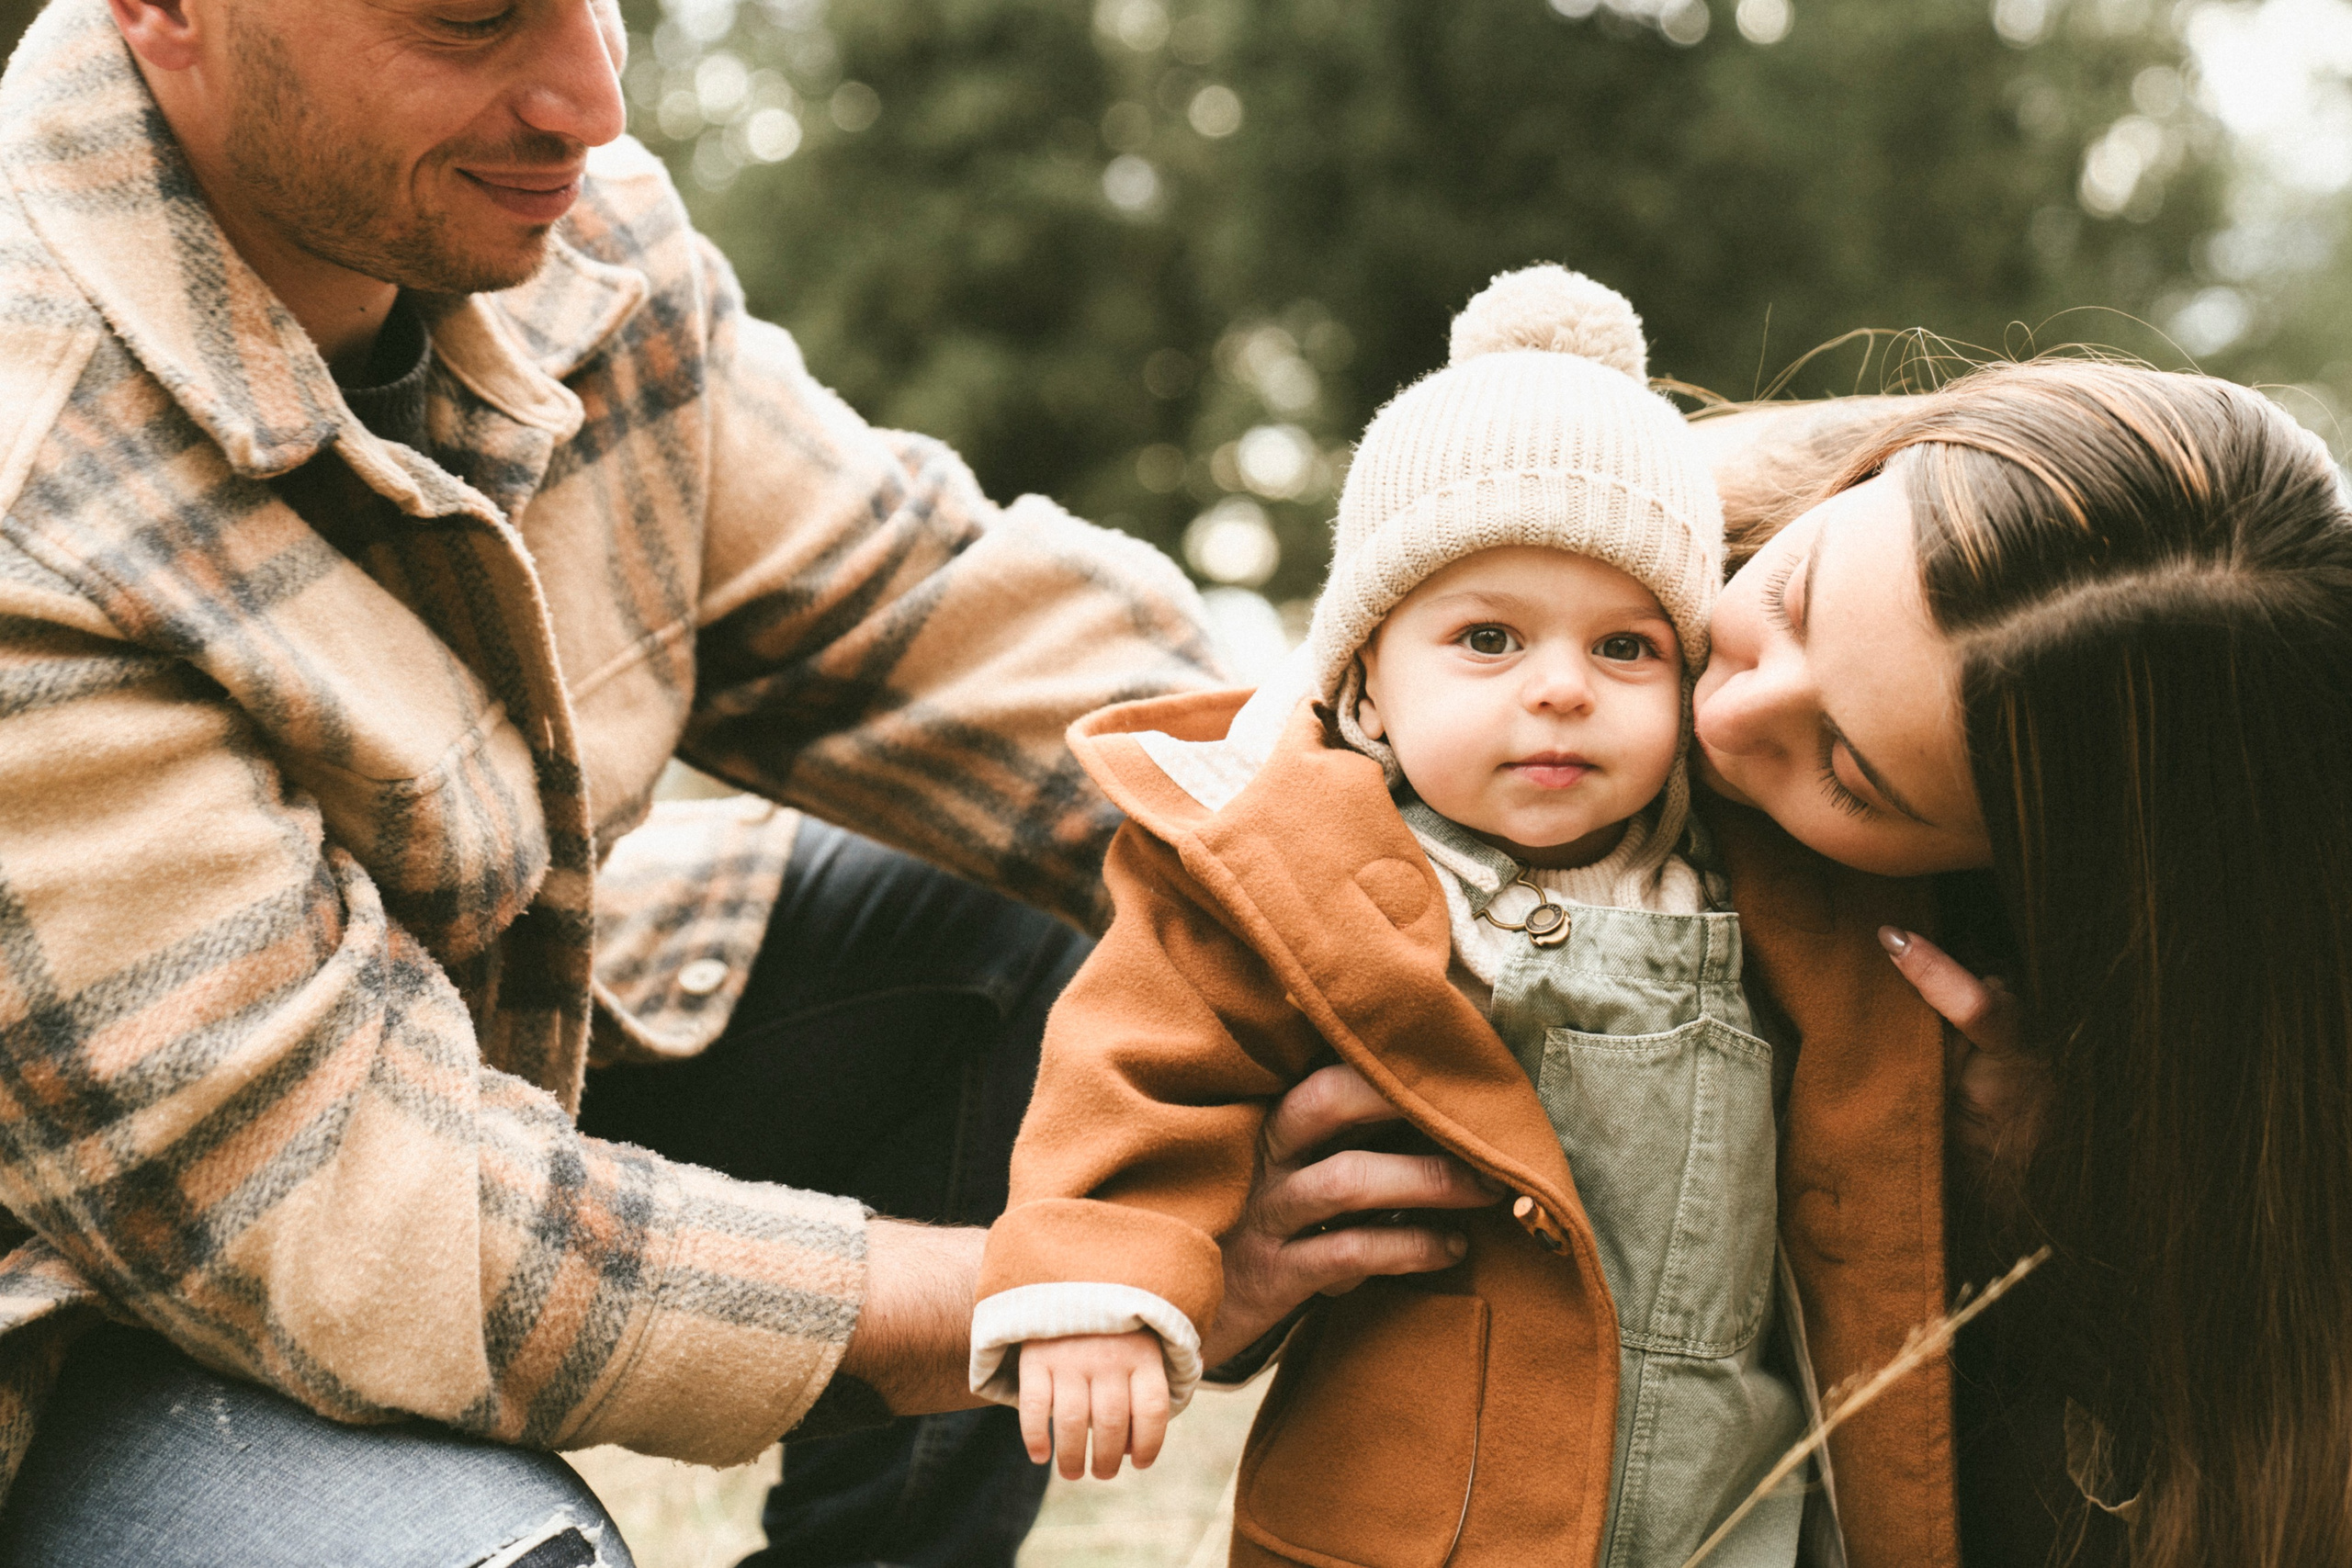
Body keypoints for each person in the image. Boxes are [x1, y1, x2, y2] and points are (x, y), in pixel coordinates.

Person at [0, 3, 1492, 1565]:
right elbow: (358, 1209)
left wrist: (1479, 887)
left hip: (462, 1043)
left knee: (1062, 909)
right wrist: (1078, 1282)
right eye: (471, 14)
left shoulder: (562, 233)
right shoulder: (35, 477)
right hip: (76, 1303)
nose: (590, 100)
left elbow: (941, 621)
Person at [969, 268, 1827, 1568]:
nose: (1561, 689)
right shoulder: (1299, 868)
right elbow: (1140, 1060)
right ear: (1365, 679)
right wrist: (1100, 1277)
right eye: (1488, 639)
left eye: (1626, 647)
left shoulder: (1744, 874)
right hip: (1407, 1514)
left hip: (1722, 1506)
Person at [1676, 359, 2352, 1567]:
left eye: (1850, 774)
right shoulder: (1601, 500)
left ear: (2032, 887)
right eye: (1791, 594)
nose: (1726, 713)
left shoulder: (2196, 1126)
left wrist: (2055, 1192)